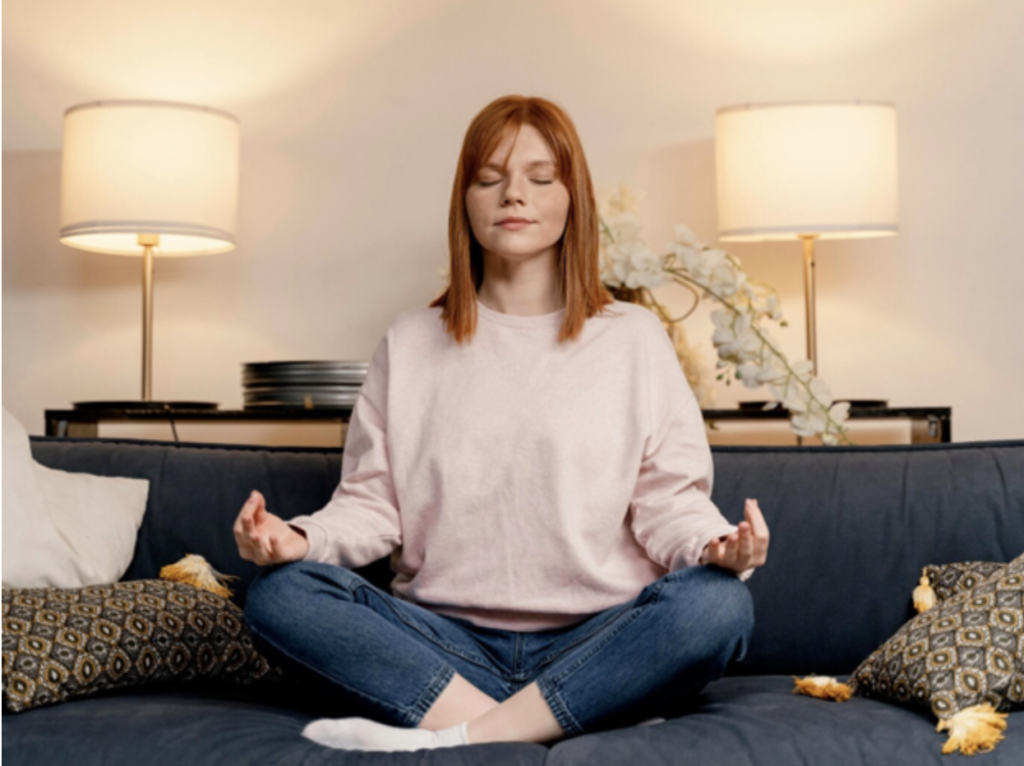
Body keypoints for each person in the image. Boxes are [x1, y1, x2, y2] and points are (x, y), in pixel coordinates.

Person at [236, 94, 770, 753]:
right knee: (279, 595)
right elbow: (372, 508)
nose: (514, 194)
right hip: (444, 644)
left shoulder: (634, 339)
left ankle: (451, 738)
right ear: (465, 199)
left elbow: (668, 503)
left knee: (719, 606)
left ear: (573, 197)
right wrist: (297, 538)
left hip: (596, 637)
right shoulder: (409, 343)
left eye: (541, 179)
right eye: (490, 178)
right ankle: (555, 717)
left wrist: (716, 547)